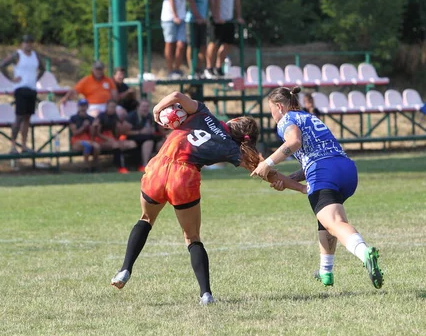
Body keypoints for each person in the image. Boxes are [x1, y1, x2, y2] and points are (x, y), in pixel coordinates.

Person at [110, 91, 304, 305]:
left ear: (233, 122)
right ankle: (206, 294)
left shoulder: (204, 113)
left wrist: (157, 110)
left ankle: (124, 270)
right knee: (192, 237)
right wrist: (301, 188)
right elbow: (269, 173)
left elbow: (175, 95)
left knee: (146, 219)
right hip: (183, 176)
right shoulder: (233, 149)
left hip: (158, 167)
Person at [251, 86, 384, 289]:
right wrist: (290, 179)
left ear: (279, 106)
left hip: (324, 170)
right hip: (346, 169)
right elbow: (316, 155)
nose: (272, 115)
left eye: (271, 110)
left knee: (334, 221)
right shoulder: (309, 117)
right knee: (326, 218)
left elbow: (294, 142)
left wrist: (267, 163)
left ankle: (364, 253)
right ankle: (325, 271)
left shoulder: (286, 120)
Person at [0, 34, 45, 153]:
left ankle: (24, 144)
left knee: (27, 118)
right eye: (26, 42)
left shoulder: (35, 56)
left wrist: (36, 79)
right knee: (19, 117)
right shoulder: (17, 55)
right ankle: (13, 144)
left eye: (30, 42)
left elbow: (43, 68)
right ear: (22, 43)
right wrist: (11, 79)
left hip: (32, 88)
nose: (28, 44)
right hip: (21, 88)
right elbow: (2, 65)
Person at [161, 0, 202, 79]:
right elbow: (171, 0)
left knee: (181, 44)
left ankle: (177, 69)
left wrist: (198, 16)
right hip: (169, 18)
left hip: (182, 19)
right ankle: (170, 71)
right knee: (170, 43)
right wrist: (175, 16)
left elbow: (191, 0)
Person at [205, 0, 244, 79]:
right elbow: (216, 0)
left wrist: (239, 16)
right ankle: (209, 68)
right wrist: (217, 17)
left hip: (229, 19)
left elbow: (237, 0)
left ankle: (218, 67)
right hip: (217, 20)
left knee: (227, 44)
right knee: (214, 43)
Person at [93, 100, 137, 174]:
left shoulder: (115, 116)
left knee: (132, 144)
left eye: (114, 107)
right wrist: (108, 139)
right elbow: (97, 133)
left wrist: (121, 128)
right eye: (111, 107)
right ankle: (120, 167)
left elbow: (118, 134)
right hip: (101, 140)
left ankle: (135, 166)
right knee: (115, 145)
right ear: (107, 107)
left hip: (113, 139)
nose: (113, 109)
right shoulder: (101, 116)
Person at [185, 0, 213, 77]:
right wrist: (198, 17)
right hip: (192, 21)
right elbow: (191, 3)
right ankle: (191, 70)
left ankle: (199, 69)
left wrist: (210, 16)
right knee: (191, 45)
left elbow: (211, 2)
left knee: (203, 45)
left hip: (204, 21)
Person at [125, 99, 165, 172]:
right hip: (136, 138)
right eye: (143, 106)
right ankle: (144, 165)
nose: (145, 108)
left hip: (150, 137)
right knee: (148, 142)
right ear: (138, 107)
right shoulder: (131, 116)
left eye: (147, 106)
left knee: (161, 143)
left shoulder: (150, 117)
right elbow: (126, 132)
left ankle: (161, 165)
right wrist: (140, 132)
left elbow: (158, 130)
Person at [69, 99, 100, 171]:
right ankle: (86, 166)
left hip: (89, 139)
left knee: (97, 146)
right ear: (78, 107)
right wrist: (83, 127)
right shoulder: (73, 118)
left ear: (87, 107)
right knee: (87, 145)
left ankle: (95, 165)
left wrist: (94, 127)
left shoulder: (91, 118)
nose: (83, 108)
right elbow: (75, 133)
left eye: (85, 106)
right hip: (77, 140)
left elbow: (94, 135)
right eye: (81, 106)